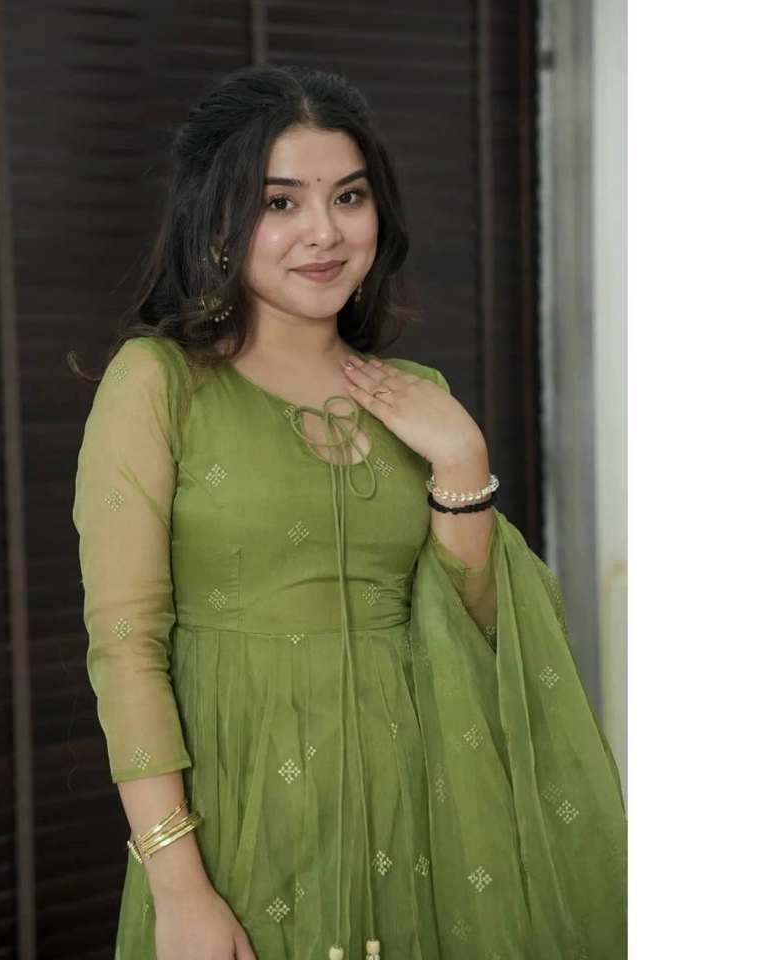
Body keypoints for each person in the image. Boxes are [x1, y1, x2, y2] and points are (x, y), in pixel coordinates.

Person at [70, 65, 626, 960]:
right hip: (242, 820)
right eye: (280, 202)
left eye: (349, 197)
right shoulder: (160, 384)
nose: (324, 232)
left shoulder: (417, 398)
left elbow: (483, 636)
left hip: (424, 818)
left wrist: (462, 460)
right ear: (218, 221)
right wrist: (178, 887)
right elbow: (126, 643)